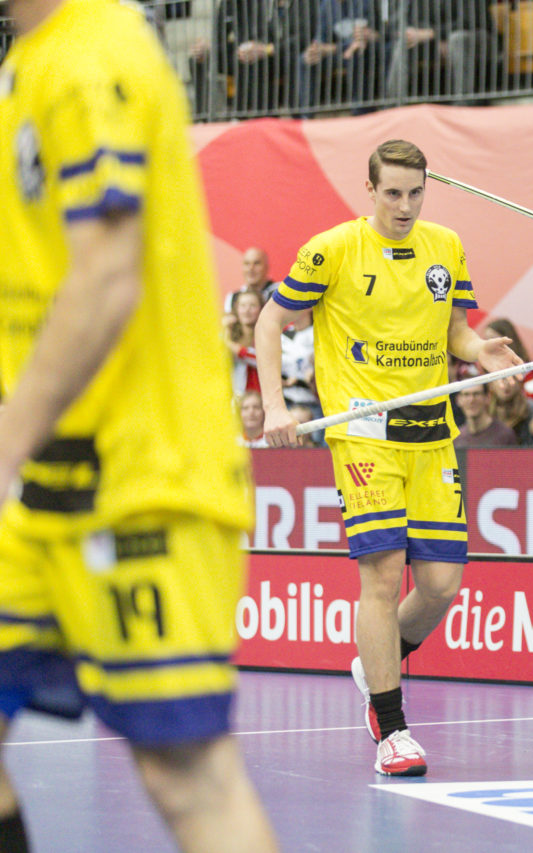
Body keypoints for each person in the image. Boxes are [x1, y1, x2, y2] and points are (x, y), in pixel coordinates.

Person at [0, 1, 278, 850]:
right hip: (44, 479)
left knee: (183, 772)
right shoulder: (31, 63)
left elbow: (108, 278)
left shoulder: (93, 57)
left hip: (141, 478)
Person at [255, 139, 521, 777]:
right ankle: (391, 727)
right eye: (393, 193)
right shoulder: (332, 250)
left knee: (440, 586)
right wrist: (274, 407)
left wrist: (480, 350)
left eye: (415, 193)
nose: (405, 205)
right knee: (381, 574)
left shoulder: (445, 246)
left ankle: (377, 661)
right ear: (369, 191)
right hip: (364, 433)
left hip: (433, 435)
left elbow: (452, 330)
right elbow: (269, 323)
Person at [223, 288, 263, 396]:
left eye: (252, 306)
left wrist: (237, 349)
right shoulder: (228, 335)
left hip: (261, 402)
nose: (247, 310)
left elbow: (262, 360)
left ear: (261, 309)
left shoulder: (267, 336)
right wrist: (226, 330)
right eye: (243, 306)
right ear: (236, 309)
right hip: (235, 400)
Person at [453, 385, 519, 448]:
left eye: (476, 394)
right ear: (458, 400)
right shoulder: (456, 438)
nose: (471, 400)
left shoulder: (505, 435)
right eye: (466, 395)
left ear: (488, 397)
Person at [223, 246, 279, 312]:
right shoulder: (233, 297)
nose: (251, 268)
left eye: (256, 263)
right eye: (247, 264)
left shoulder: (279, 292)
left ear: (267, 267)